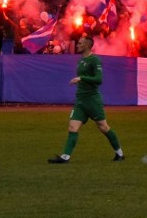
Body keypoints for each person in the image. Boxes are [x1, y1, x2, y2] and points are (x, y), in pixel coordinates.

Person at [48, 36, 124, 164]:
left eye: (80, 43)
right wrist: (80, 80)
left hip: (92, 100)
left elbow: (99, 79)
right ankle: (65, 157)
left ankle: (120, 153)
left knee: (103, 127)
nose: (77, 45)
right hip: (80, 101)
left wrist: (81, 78)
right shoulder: (81, 61)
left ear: (87, 46)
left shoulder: (95, 60)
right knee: (72, 127)